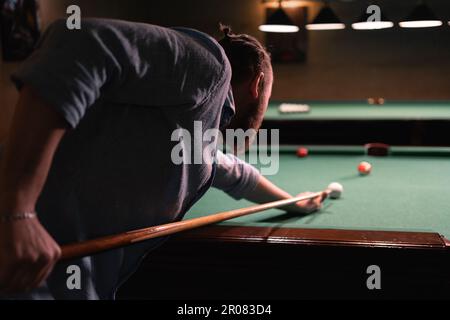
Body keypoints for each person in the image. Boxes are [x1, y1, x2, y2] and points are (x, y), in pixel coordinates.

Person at [0, 18, 322, 300]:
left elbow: (228, 170)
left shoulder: (191, 121)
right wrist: (18, 212)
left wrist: (293, 201)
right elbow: (76, 40)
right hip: (21, 273)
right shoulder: (213, 66)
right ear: (257, 85)